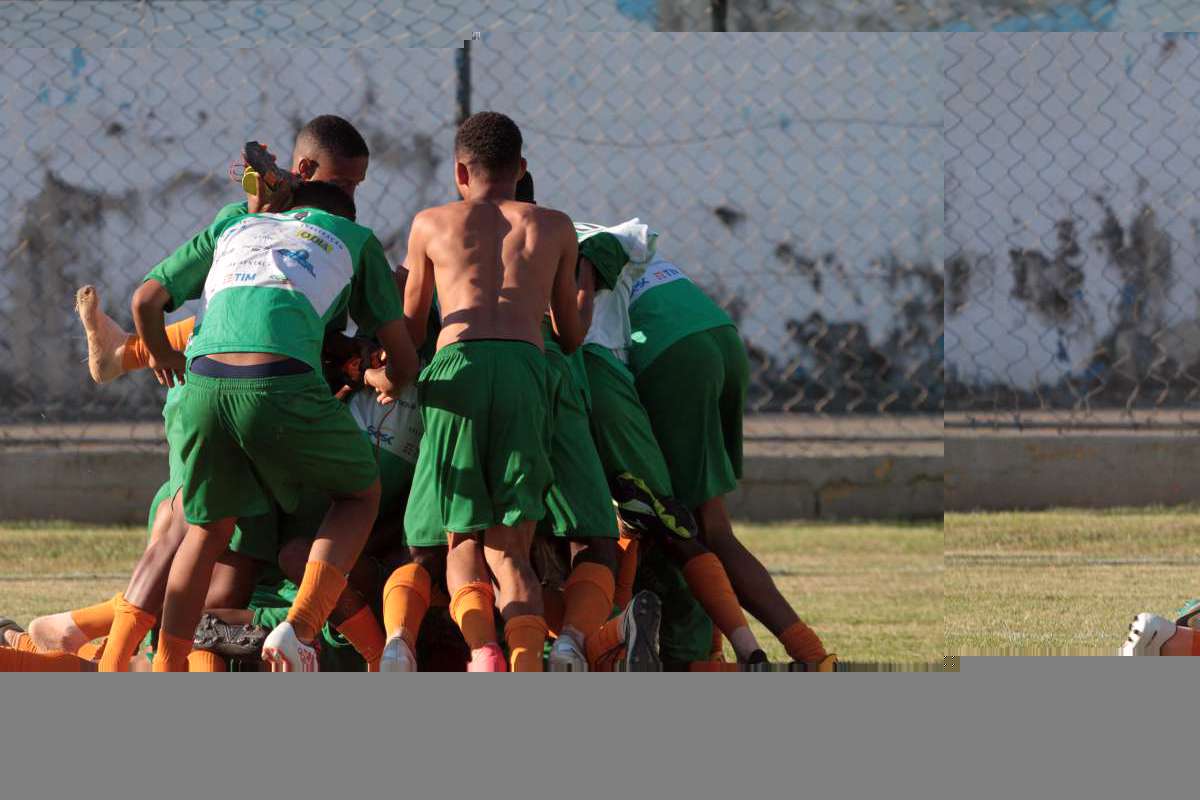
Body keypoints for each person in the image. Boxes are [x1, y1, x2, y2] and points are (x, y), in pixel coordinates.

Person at [131, 179, 418, 671]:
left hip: (200, 384)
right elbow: (406, 360)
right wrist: (381, 376)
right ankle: (302, 628)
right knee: (359, 494)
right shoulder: (353, 239)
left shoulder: (236, 223)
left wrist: (164, 359)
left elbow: (144, 301)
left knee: (203, 533)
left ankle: (163, 663)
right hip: (281, 382)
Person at [399, 112, 585, 672]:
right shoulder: (554, 225)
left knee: (461, 543)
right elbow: (571, 338)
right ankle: (528, 661)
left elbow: (410, 331)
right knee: (512, 546)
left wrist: (380, 375)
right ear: (522, 168)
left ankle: (482, 651)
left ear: (460, 170)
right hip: (527, 366)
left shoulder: (430, 223)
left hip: (457, 367)